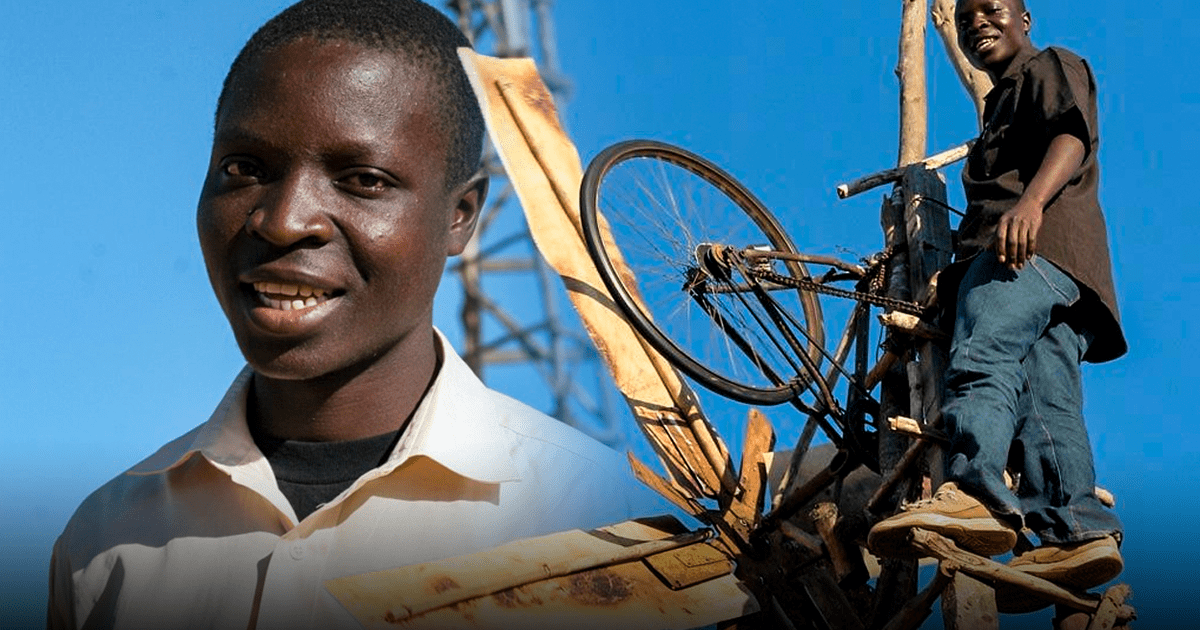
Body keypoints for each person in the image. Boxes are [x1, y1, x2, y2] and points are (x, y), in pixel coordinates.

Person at [47, 1, 650, 628]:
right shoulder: (107, 541)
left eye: (363, 180)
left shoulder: (599, 527)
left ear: (461, 214)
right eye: (243, 169)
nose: (283, 221)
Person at [867, 0, 1125, 610]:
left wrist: (1030, 207)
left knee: (982, 354)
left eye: (992, 10)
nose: (977, 22)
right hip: (1062, 273)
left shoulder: (1051, 65)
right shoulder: (997, 106)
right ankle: (1073, 529)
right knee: (1045, 395)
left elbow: (1071, 134)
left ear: (1025, 17)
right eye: (965, 19)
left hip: (1028, 250)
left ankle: (975, 492)